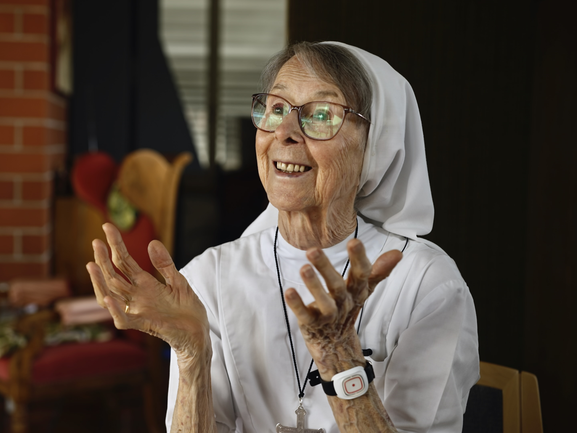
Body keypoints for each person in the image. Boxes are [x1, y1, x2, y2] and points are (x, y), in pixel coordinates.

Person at [87, 41, 479, 432]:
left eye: (322, 114)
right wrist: (192, 350)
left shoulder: (428, 286)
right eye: (276, 109)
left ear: (375, 146)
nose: (285, 133)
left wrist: (341, 359)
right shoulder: (210, 278)